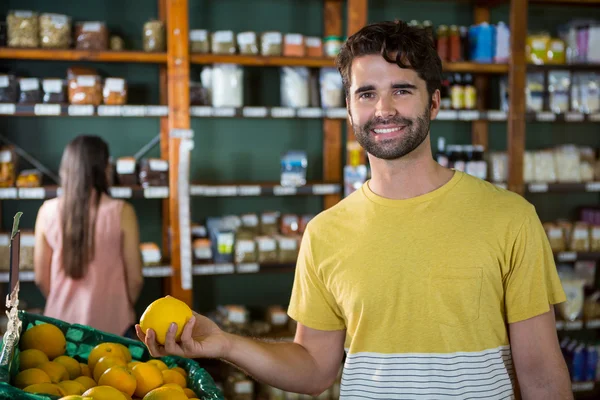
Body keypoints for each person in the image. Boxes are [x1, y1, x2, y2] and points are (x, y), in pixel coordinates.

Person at [136, 20, 573, 399]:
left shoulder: (509, 218)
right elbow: (314, 368)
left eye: (402, 90)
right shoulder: (326, 232)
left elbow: (542, 378)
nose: (383, 109)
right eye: (366, 94)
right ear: (348, 109)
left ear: (434, 102)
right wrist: (225, 344)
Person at [34, 135, 144, 337]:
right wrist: (120, 306)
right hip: (114, 327)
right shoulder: (122, 211)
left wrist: (64, 303)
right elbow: (135, 279)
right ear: (104, 169)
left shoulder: (46, 212)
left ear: (66, 169)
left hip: (59, 328)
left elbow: (41, 277)